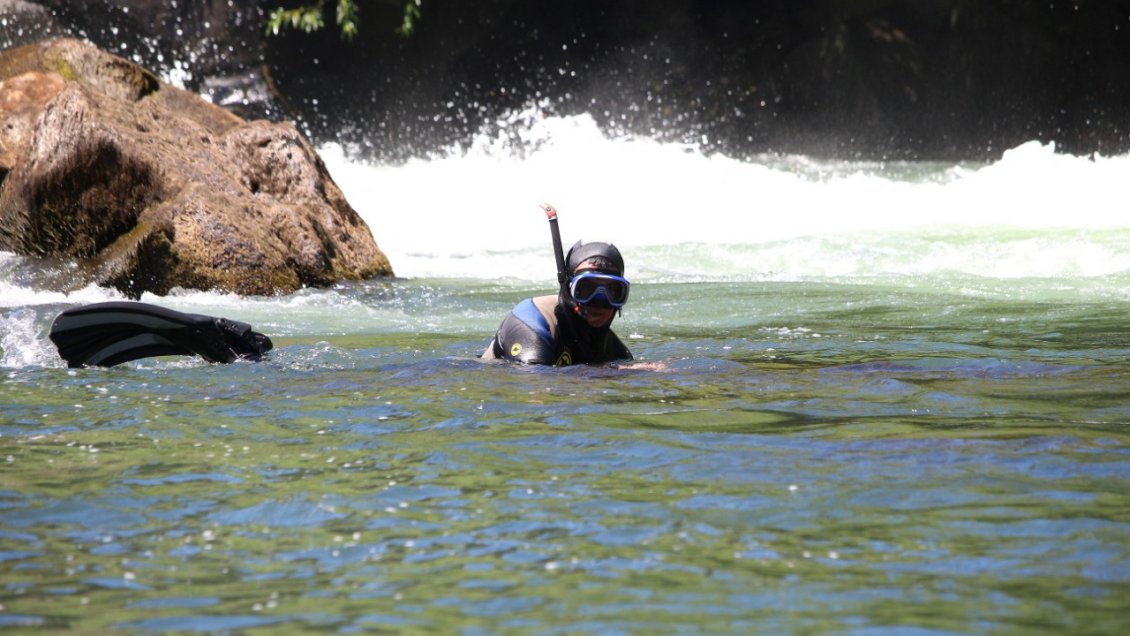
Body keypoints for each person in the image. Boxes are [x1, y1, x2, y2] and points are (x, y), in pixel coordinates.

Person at [482, 239, 632, 366]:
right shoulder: (532, 322)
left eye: (612, 290)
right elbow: (531, 382)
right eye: (586, 288)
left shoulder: (616, 351)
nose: (599, 302)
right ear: (567, 287)